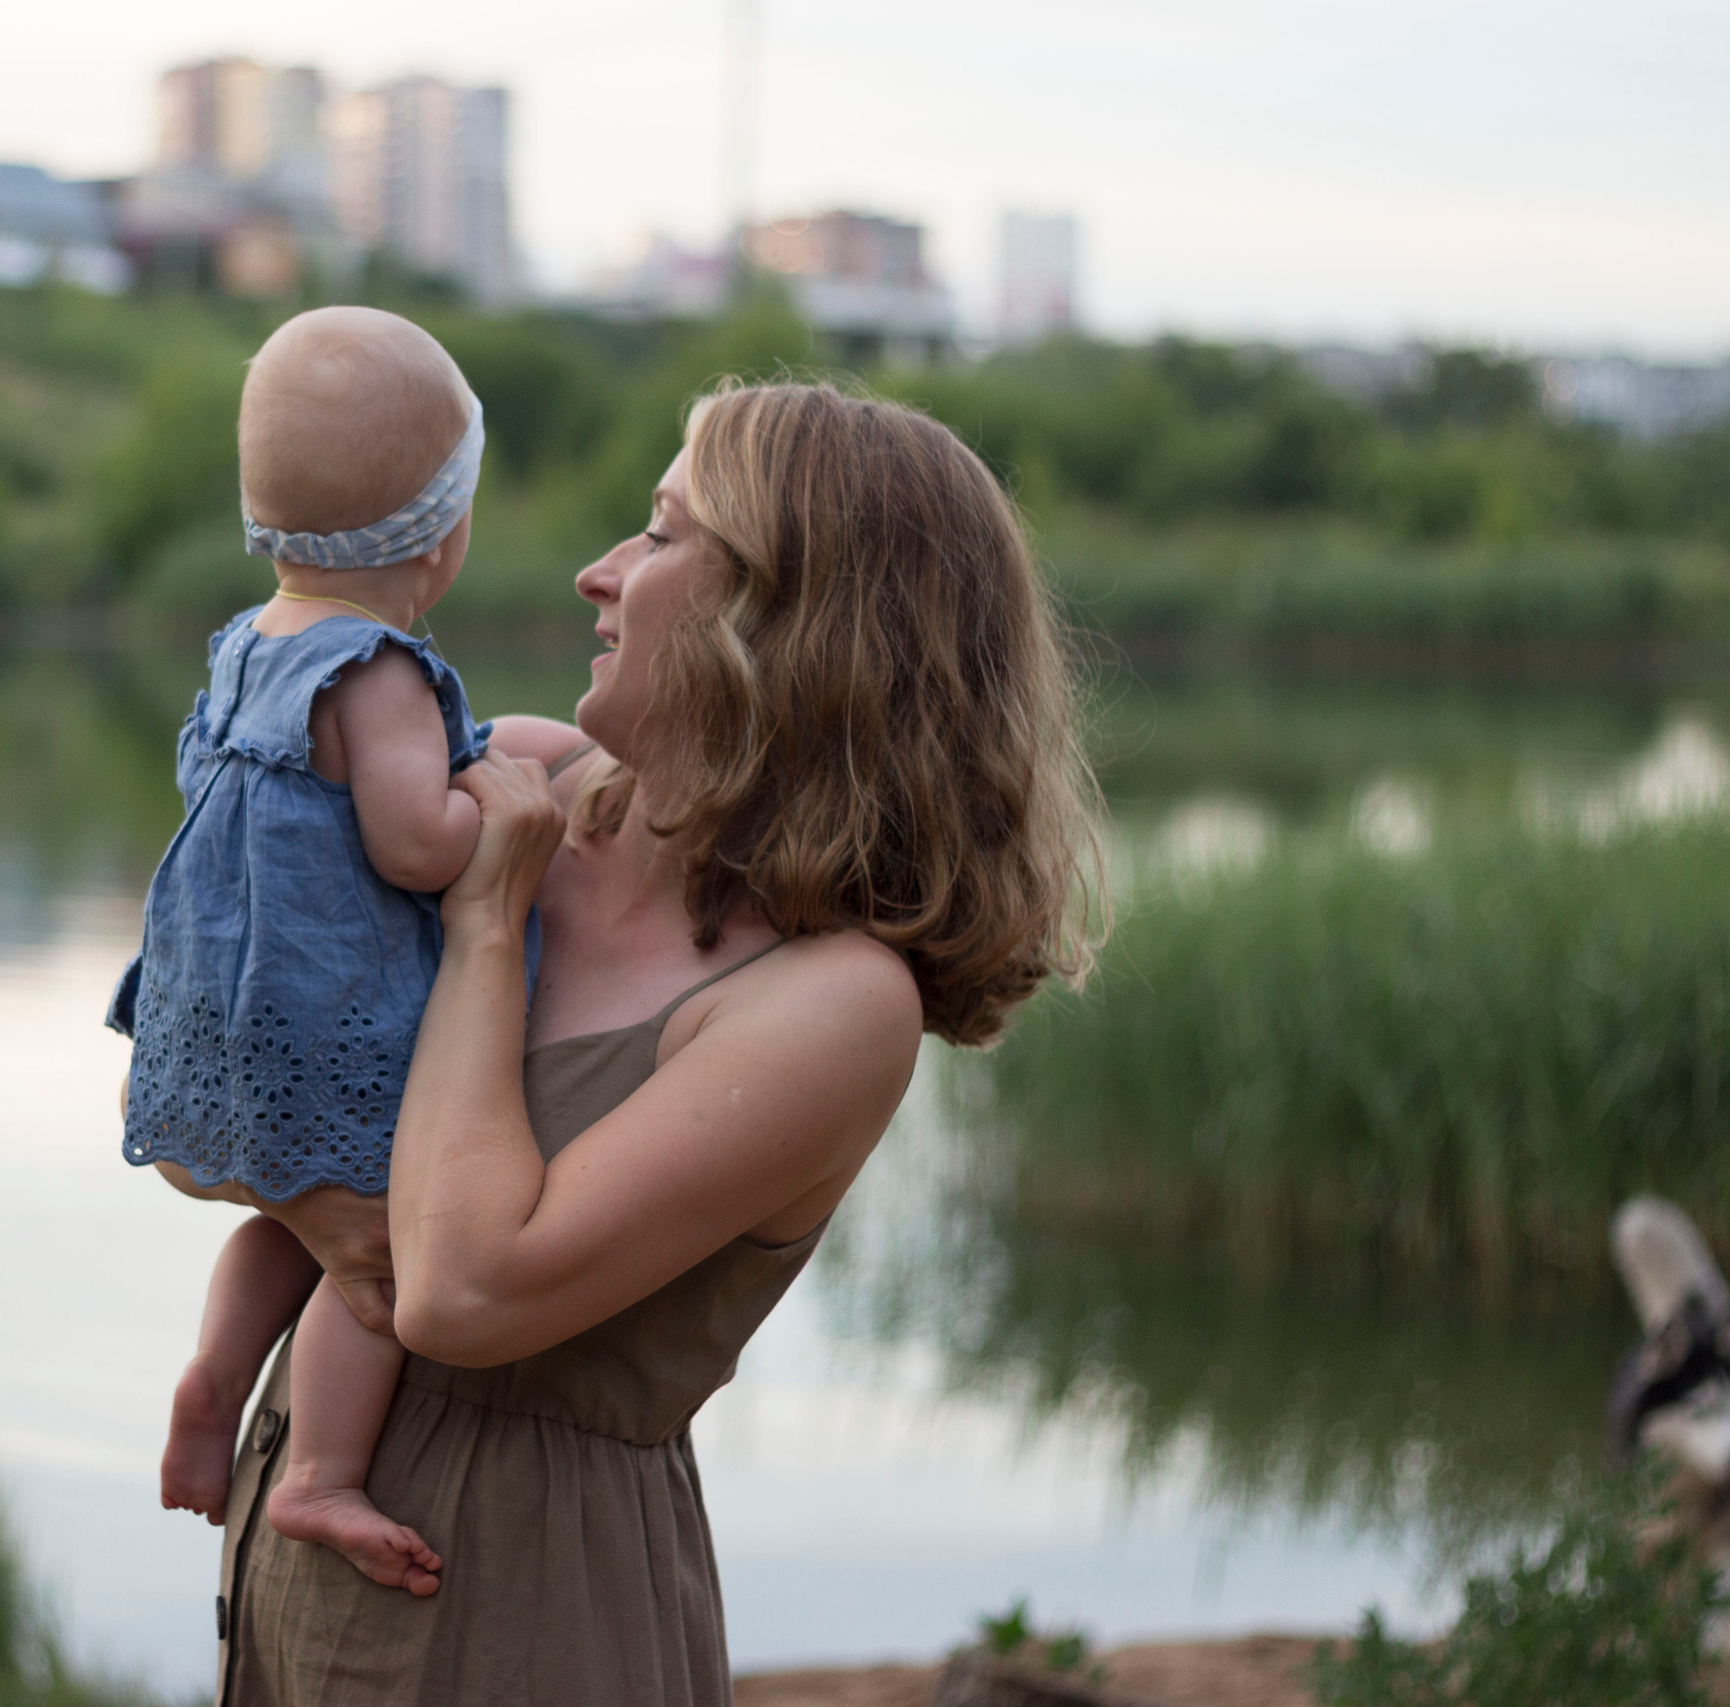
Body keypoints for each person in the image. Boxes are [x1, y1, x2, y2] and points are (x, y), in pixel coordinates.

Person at [155, 379, 1104, 1704]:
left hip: (522, 1598)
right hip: (301, 1546)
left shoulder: (830, 1002)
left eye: (661, 536)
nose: (601, 574)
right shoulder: (524, 779)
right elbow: (212, 1078)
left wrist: (488, 931)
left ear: (790, 617)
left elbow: (463, 1293)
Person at [109, 306, 503, 1596]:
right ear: (438, 543)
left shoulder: (245, 646)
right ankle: (321, 1475)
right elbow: (412, 845)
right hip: (327, 1044)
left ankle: (213, 1380)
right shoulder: (377, 672)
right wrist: (489, 809)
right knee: (377, 1262)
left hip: (219, 1032)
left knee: (289, 1214)